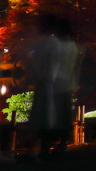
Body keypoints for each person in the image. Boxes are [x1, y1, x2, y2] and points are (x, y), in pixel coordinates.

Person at [28, 13, 61, 157]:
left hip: (43, 81)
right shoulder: (54, 43)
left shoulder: (42, 44)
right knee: (47, 112)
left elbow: (36, 64)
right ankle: (45, 144)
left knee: (42, 112)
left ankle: (42, 144)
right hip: (49, 81)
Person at [52, 17, 82, 152]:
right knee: (65, 112)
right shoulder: (71, 45)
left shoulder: (59, 45)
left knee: (57, 112)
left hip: (57, 82)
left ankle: (57, 140)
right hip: (67, 82)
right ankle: (63, 141)